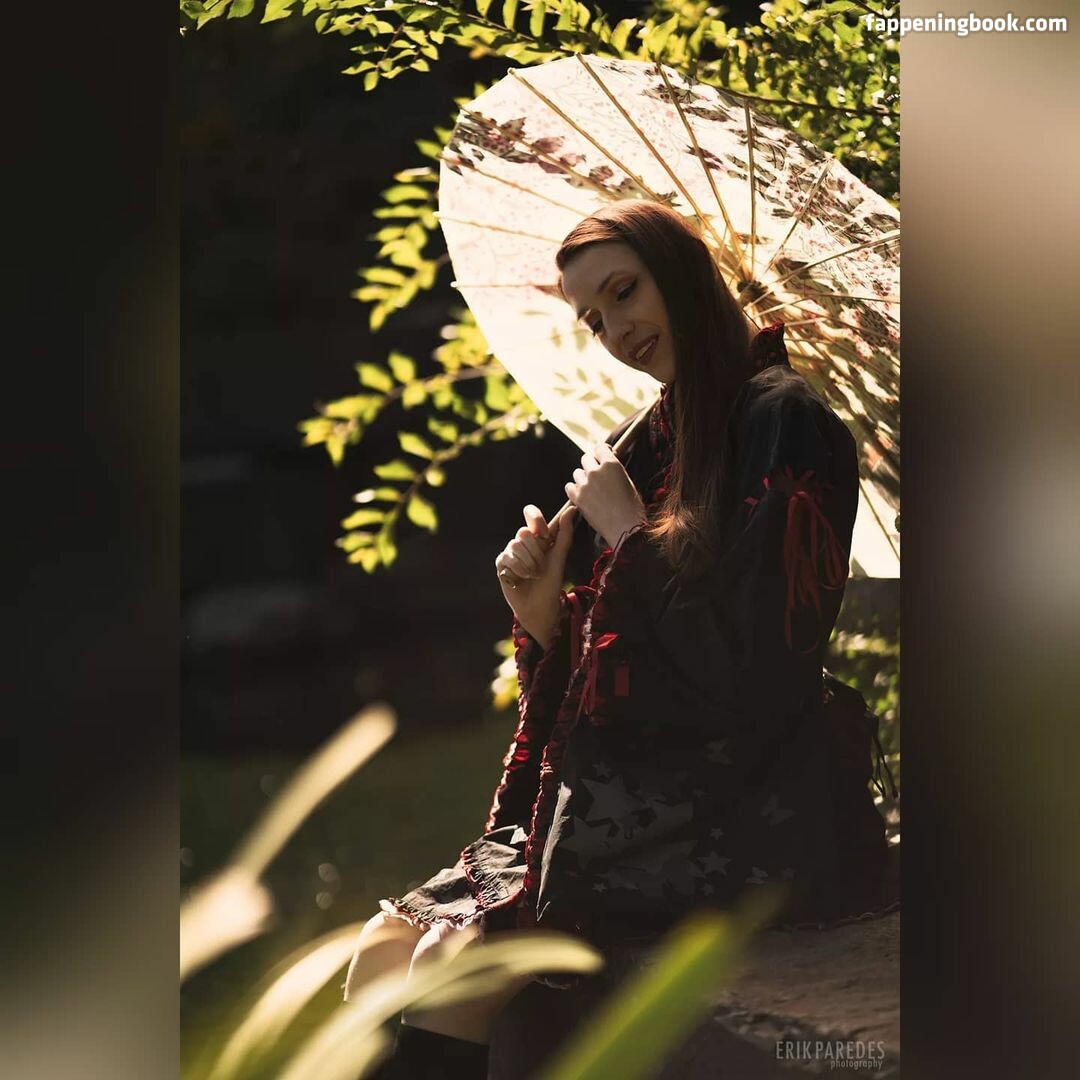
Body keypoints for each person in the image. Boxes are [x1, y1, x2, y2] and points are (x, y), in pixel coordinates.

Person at [343, 201, 896, 1078]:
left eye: (625, 292)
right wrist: (543, 614)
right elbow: (621, 659)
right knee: (381, 948)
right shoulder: (645, 443)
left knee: (458, 963)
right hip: (651, 783)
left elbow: (752, 669)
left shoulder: (785, 422)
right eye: (593, 319)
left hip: (749, 792)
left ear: (683, 271)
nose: (615, 330)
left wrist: (631, 534)